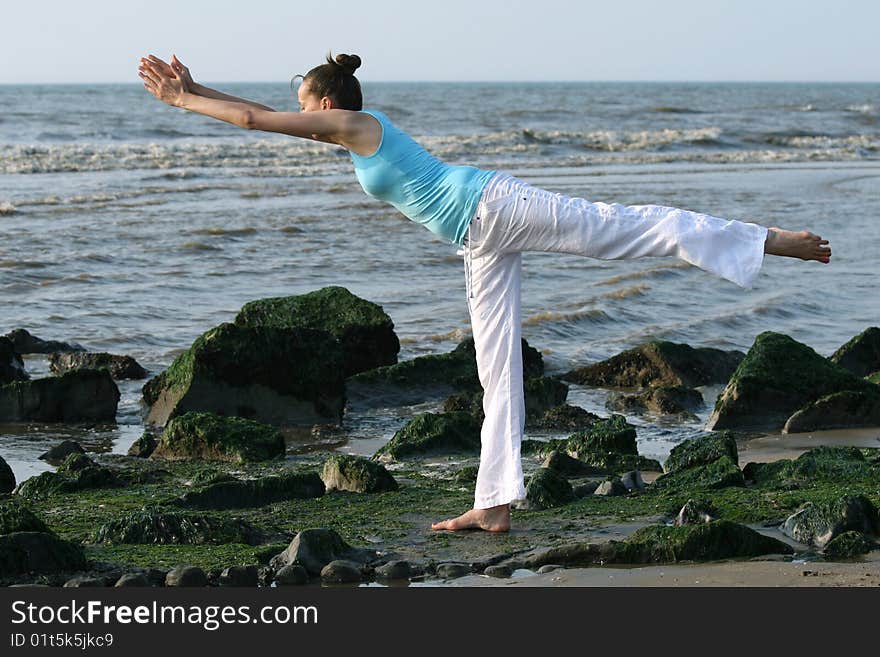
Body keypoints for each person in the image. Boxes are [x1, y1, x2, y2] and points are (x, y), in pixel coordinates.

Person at [138, 52, 832, 533]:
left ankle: (771, 239)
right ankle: (495, 502)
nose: (300, 119)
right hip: (479, 237)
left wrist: (181, 99)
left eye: (304, 108)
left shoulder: (357, 124)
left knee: (628, 227)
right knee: (495, 369)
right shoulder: (349, 137)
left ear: (324, 105)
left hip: (496, 205)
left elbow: (260, 122)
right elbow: (260, 113)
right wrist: (202, 88)